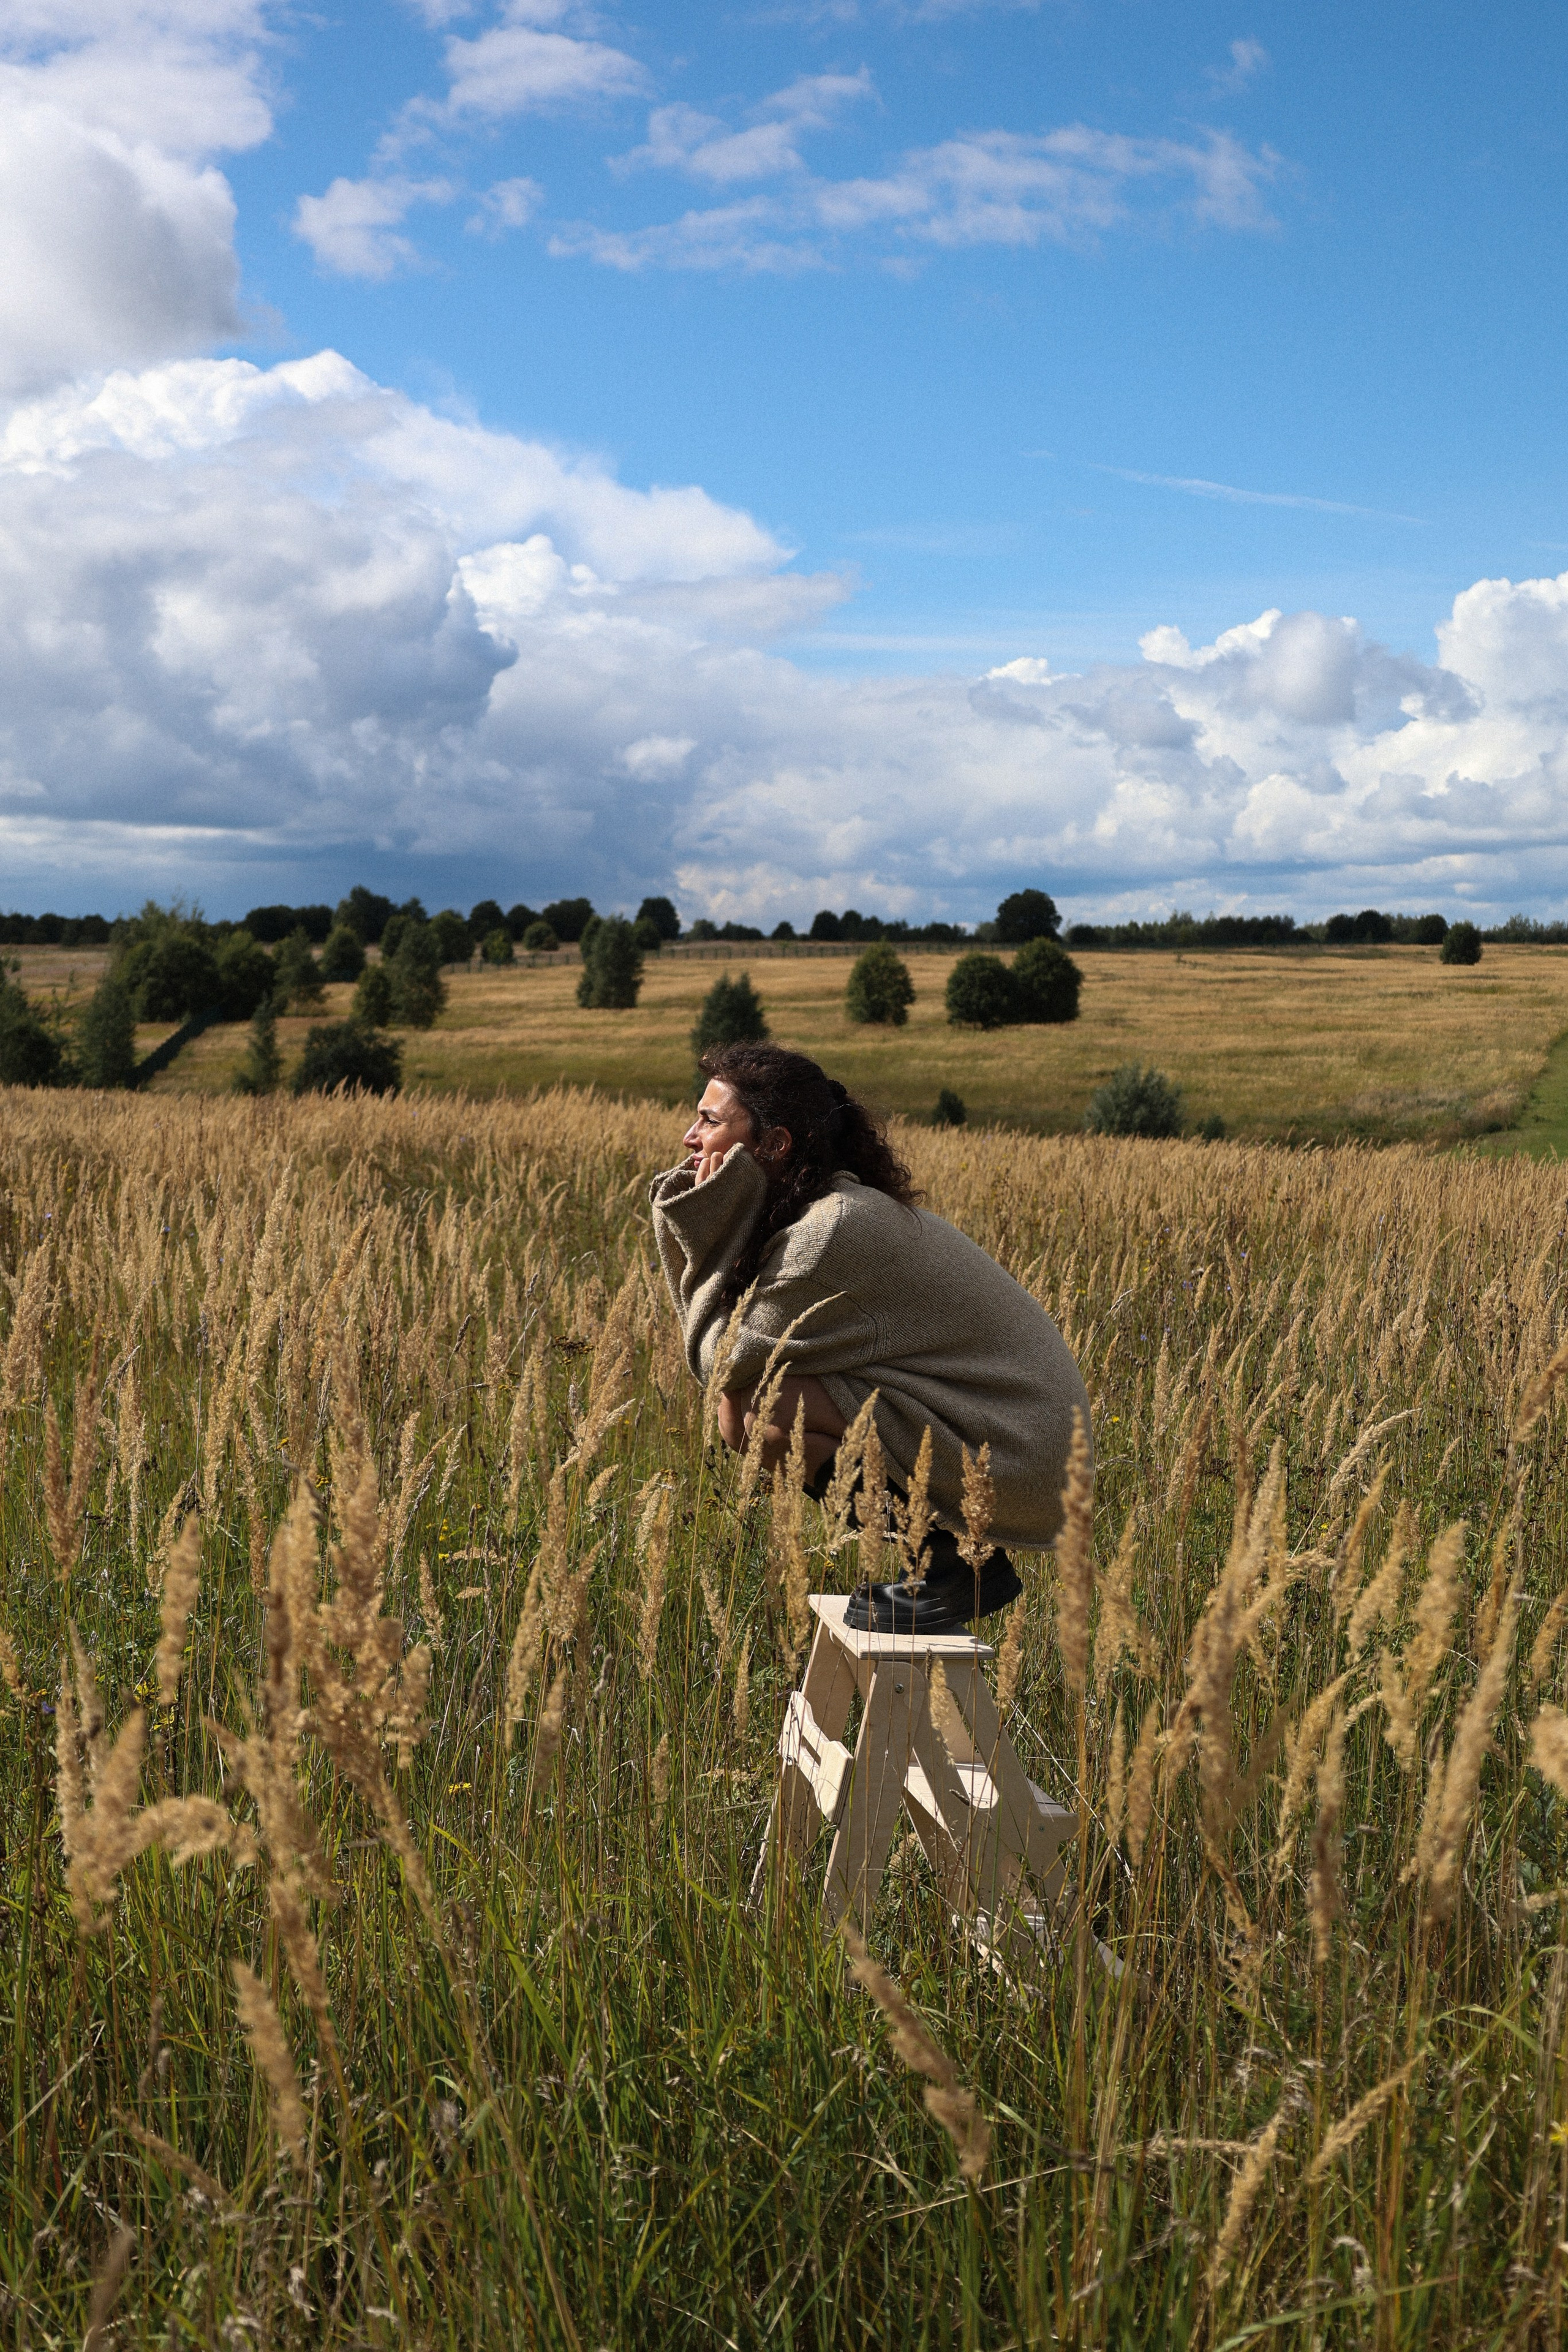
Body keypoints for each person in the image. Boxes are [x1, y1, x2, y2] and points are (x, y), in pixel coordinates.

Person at [649, 1041, 1091, 1632]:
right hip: (998, 1427)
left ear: (773, 1144)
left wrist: (710, 1220)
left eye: (709, 1120)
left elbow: (719, 1360)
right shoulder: (822, 1210)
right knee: (747, 1409)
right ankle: (941, 1561)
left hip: (1021, 1446)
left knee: (756, 1403)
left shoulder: (830, 1232)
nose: (689, 1137)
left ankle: (954, 1567)